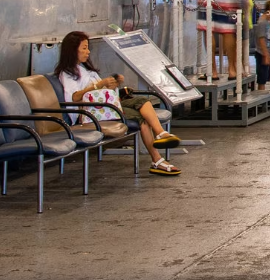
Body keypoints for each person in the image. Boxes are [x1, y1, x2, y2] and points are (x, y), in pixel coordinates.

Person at [54, 31, 182, 176]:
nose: (88, 51)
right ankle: (157, 158)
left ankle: (161, 135)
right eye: (84, 48)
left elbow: (100, 93)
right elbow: (74, 97)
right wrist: (99, 85)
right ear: (72, 50)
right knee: (142, 118)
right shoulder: (67, 74)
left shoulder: (84, 69)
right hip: (91, 113)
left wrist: (113, 85)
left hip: (103, 107)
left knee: (142, 100)